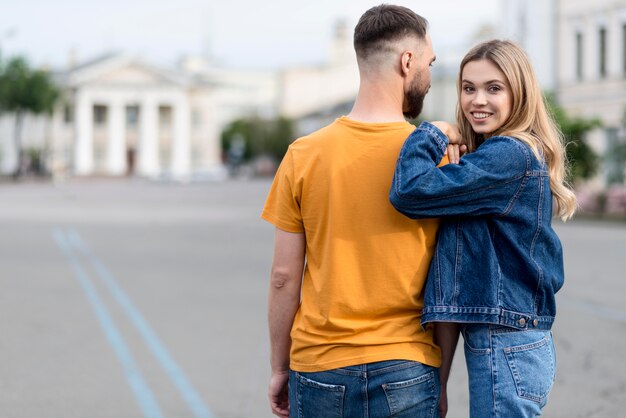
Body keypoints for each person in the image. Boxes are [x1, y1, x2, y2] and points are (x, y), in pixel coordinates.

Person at [261, 4, 462, 417]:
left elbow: (284, 277)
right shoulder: (439, 158)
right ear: (407, 62)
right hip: (408, 364)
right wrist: (439, 379)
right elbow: (449, 281)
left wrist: (280, 367)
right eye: (429, 61)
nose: (428, 73)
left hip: (319, 366)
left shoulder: (304, 154)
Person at [389, 39, 577, 417]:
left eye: (494, 88)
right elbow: (457, 277)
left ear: (519, 93)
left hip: (508, 342)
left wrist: (434, 133)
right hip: (505, 340)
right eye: (468, 88)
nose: (477, 100)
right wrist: (440, 379)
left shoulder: (510, 154)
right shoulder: (491, 157)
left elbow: (409, 191)